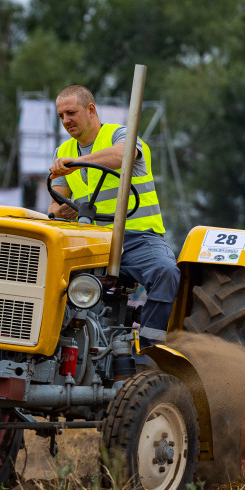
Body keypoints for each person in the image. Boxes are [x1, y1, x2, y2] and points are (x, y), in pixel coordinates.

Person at [48, 85, 180, 347]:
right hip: (90, 242)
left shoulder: (121, 135)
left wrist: (74, 164)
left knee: (165, 272)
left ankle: (150, 351)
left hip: (138, 239)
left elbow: (123, 155)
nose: (66, 121)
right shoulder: (62, 152)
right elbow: (53, 209)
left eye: (71, 112)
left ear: (91, 110)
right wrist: (65, 210)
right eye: (61, 115)